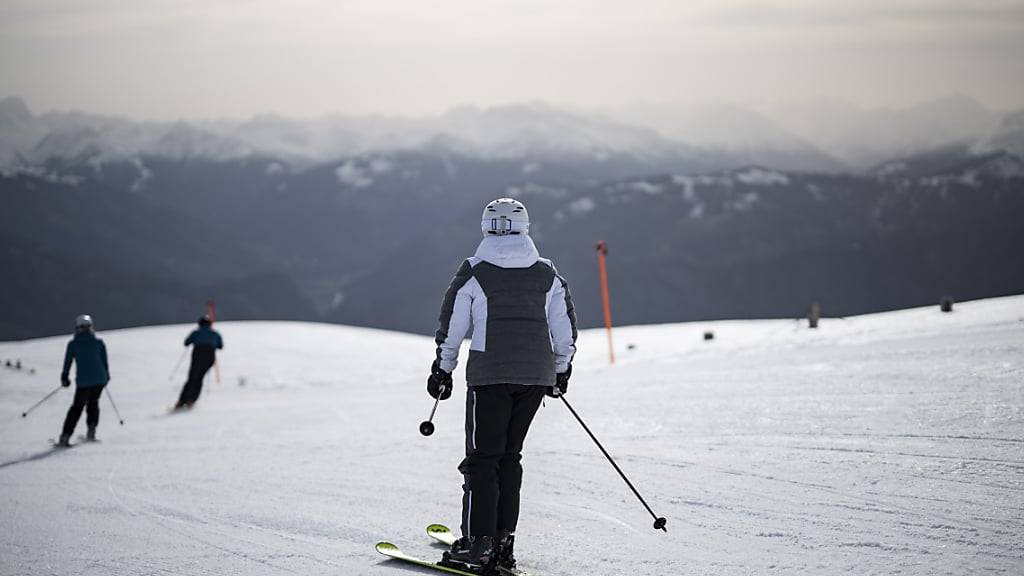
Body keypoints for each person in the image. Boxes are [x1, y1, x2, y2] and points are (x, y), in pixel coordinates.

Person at [429, 198, 577, 572]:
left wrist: (442, 369)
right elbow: (564, 326)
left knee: (483, 459)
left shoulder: (475, 271)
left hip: (490, 375)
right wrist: (561, 368)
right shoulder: (547, 273)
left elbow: (453, 325)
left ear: (485, 227)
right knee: (510, 457)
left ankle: (478, 545)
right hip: (534, 376)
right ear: (526, 227)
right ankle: (502, 545)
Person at [58, 314, 110, 446]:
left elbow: (68, 362)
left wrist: (65, 377)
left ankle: (65, 436)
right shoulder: (99, 343)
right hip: (100, 379)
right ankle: (91, 432)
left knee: (77, 407)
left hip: (83, 382)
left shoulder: (73, 344)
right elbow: (104, 362)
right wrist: (106, 376)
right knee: (93, 403)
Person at [175, 315, 223, 409]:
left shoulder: (196, 332)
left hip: (197, 356)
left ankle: (182, 401)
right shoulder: (215, 333)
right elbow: (220, 346)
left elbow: (186, 342)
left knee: (192, 378)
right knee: (199, 379)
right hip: (209, 357)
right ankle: (191, 400)